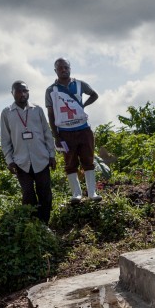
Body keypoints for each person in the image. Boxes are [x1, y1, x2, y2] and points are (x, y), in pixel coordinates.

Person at [0, 80, 57, 223]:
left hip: (41, 159)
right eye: (18, 91)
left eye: (25, 91)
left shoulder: (37, 110)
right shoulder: (7, 113)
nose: (22, 94)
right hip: (21, 161)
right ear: (12, 93)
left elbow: (47, 133)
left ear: (28, 92)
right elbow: (5, 139)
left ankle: (44, 223)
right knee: (28, 193)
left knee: (44, 193)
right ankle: (32, 223)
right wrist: (9, 160)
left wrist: (51, 154)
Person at [45, 58, 101, 202]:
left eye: (65, 67)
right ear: (55, 71)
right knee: (70, 163)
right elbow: (50, 114)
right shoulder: (51, 90)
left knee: (88, 160)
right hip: (65, 132)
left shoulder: (79, 84)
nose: (63, 70)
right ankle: (76, 193)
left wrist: (83, 106)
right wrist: (56, 135)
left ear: (70, 68)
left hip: (83, 129)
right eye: (60, 68)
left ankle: (92, 193)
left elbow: (94, 94)